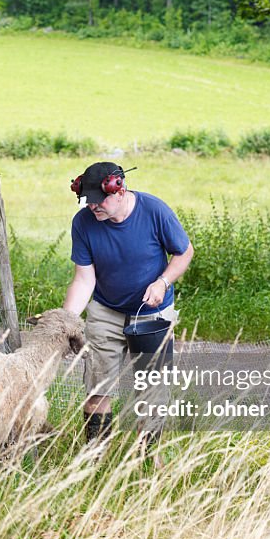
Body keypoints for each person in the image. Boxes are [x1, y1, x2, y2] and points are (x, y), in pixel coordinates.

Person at [61, 161, 194, 445]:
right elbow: (84, 280)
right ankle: (95, 460)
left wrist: (163, 282)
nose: (93, 207)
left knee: (153, 393)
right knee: (97, 390)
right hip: (106, 310)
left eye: (99, 201)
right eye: (88, 202)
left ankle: (149, 463)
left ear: (119, 190)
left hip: (151, 313)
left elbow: (184, 252)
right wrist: (65, 321)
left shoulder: (154, 211)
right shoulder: (83, 223)